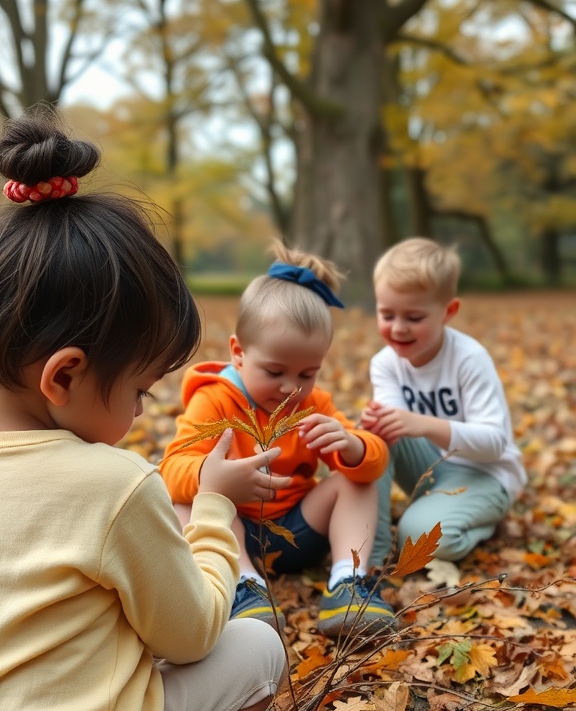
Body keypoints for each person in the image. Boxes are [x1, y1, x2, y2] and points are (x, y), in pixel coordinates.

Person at [0, 109, 288, 711]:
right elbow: (191, 634)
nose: (139, 415)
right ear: (62, 376)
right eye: (136, 389)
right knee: (259, 649)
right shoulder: (111, 483)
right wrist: (216, 511)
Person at [160, 241, 396, 639]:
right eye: (274, 371)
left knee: (354, 481)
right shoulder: (215, 399)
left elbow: (375, 463)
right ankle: (242, 586)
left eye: (307, 374)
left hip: (299, 530)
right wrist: (212, 476)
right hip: (234, 535)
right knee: (186, 498)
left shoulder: (314, 404)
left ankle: (348, 581)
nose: (291, 387)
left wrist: (353, 446)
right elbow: (172, 470)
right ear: (238, 353)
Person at [360, 237, 526, 566]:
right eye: (387, 314)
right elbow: (393, 431)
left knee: (417, 540)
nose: (398, 329)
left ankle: (482, 523)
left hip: (488, 476)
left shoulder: (469, 358)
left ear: (448, 312)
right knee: (371, 436)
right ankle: (371, 554)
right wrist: (376, 424)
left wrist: (424, 424)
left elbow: (494, 443)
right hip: (433, 469)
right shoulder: (385, 363)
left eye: (414, 317)